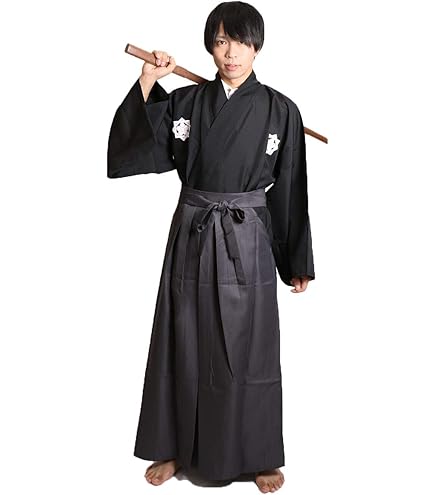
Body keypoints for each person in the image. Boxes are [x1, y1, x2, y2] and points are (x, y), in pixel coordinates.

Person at [107, 1, 315, 492]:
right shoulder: (187, 103)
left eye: (240, 42)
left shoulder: (281, 111)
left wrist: (295, 260)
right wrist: (148, 82)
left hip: (248, 239)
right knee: (183, 341)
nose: (231, 53)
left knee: (251, 349)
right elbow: (139, 143)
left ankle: (259, 455)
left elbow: (290, 188)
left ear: (257, 46)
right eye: (221, 42)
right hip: (195, 233)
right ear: (210, 47)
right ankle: (174, 447)